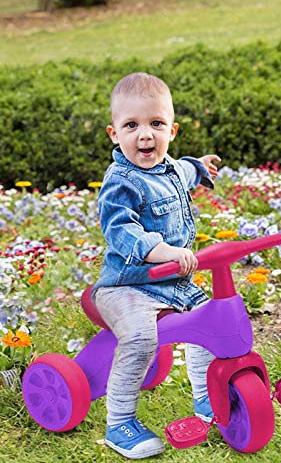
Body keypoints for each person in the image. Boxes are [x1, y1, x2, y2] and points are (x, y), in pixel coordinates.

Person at [92, 72, 221, 459]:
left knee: (208, 324)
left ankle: (207, 399)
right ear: (114, 134)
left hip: (172, 284)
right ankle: (119, 423)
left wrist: (200, 167)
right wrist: (162, 250)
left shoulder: (170, 167)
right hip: (124, 287)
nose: (144, 135)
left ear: (172, 130)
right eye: (131, 125)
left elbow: (182, 169)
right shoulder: (120, 182)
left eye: (156, 124)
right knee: (141, 339)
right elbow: (120, 229)